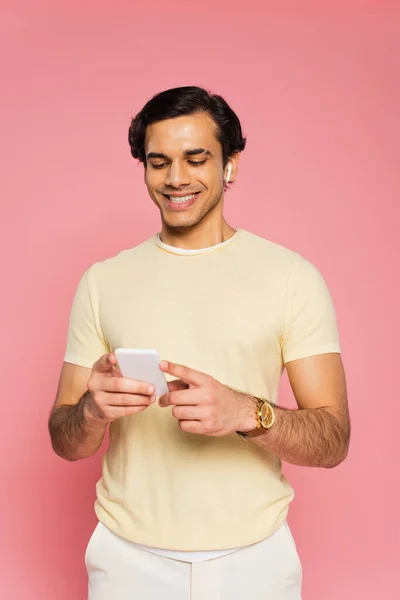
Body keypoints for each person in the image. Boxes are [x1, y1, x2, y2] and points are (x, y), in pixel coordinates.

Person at [48, 86, 350, 600]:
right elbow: (63, 437)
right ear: (144, 169)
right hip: (126, 560)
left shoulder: (291, 278)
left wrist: (245, 411)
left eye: (196, 158)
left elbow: (333, 439)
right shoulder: (102, 281)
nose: (176, 178)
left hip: (254, 561)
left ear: (230, 164)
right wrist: (92, 411)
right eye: (158, 161)